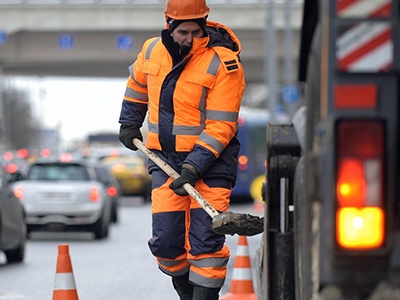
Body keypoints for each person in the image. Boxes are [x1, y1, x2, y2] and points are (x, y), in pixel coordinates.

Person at [118, 0, 245, 299]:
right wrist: (129, 123)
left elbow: (221, 126)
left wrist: (193, 167)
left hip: (211, 165)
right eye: (183, 31)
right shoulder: (151, 51)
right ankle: (186, 293)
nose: (190, 38)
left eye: (196, 30)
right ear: (169, 26)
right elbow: (137, 86)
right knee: (166, 243)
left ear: (204, 24)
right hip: (165, 162)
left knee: (204, 244)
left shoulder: (223, 63)